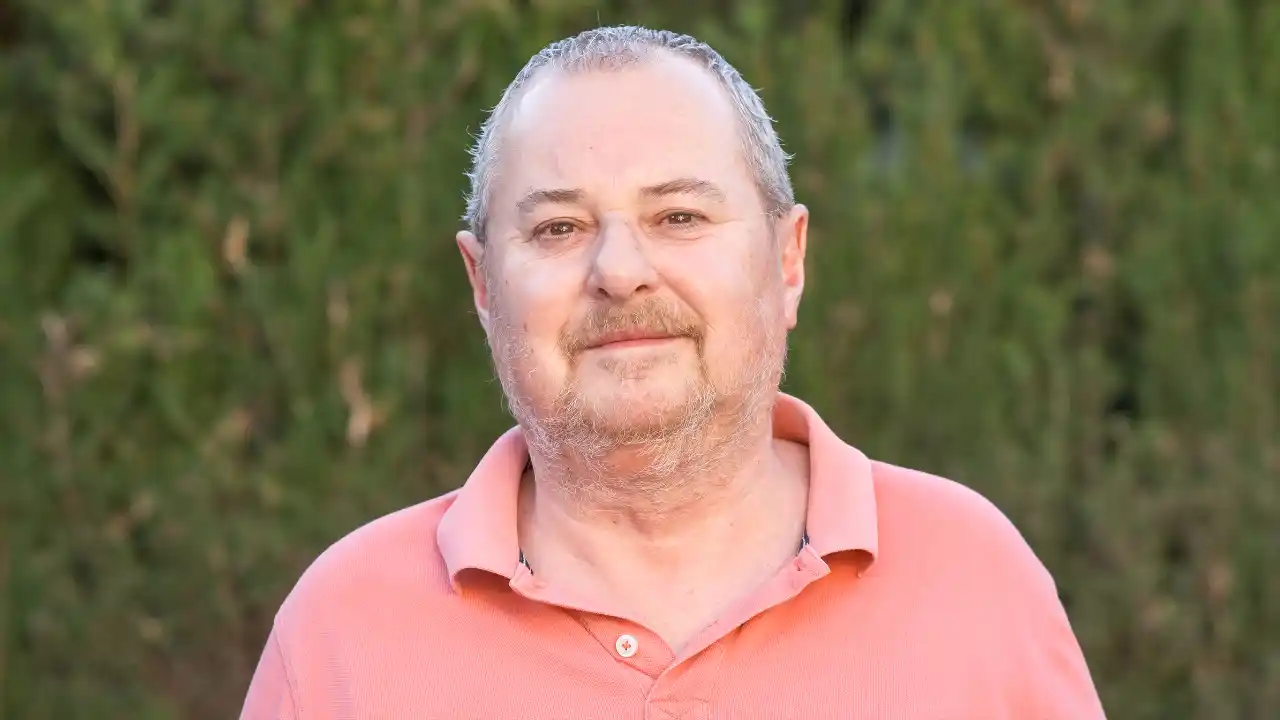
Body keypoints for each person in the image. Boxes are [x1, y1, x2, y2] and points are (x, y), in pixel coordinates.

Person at [240, 25, 1106, 719]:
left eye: (680, 215)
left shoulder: (971, 578)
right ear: (481, 284)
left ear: (789, 259)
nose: (620, 271)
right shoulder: (343, 634)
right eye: (558, 229)